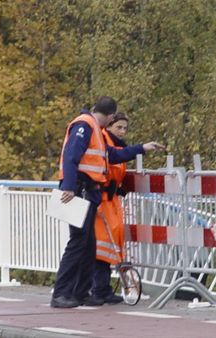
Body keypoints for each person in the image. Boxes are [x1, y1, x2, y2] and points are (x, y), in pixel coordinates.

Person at [51, 97, 164, 308]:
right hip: (79, 192)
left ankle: (81, 293)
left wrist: (141, 148)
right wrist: (68, 185)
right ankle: (61, 294)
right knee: (78, 243)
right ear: (111, 116)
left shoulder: (94, 129)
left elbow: (110, 155)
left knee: (88, 244)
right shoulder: (85, 126)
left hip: (88, 193)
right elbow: (70, 156)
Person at [90, 112, 130, 305]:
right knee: (102, 245)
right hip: (102, 199)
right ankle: (98, 289)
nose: (122, 131)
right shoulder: (104, 141)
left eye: (124, 128)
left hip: (111, 199)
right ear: (109, 126)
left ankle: (102, 288)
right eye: (118, 127)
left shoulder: (117, 144)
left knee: (108, 244)